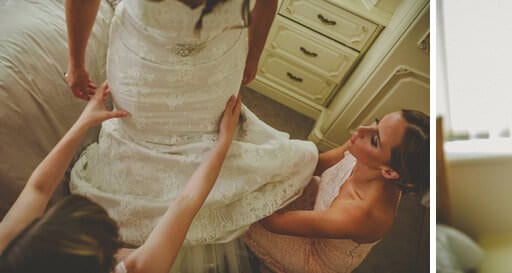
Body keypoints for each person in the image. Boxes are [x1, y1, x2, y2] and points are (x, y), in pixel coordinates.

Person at [64, 0, 318, 270]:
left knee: (207, 139)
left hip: (218, 59)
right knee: (140, 137)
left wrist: (253, 54)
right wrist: (76, 62)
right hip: (144, 60)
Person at [0, 83, 243, 273]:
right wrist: (222, 144)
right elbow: (187, 201)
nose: (120, 250)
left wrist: (84, 121)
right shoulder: (141, 268)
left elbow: (38, 189)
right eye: (112, 249)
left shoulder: (8, 250)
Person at [241, 110, 429, 273]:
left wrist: (247, 180)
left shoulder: (359, 213)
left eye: (375, 140)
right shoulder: (363, 149)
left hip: (313, 253)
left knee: (241, 213)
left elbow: (274, 223)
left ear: (389, 172)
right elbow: (314, 165)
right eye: (377, 122)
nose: (362, 128)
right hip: (321, 208)